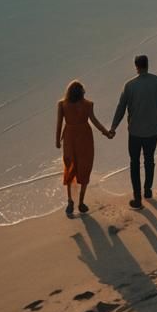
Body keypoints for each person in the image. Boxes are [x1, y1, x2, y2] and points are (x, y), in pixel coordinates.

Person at [110, 54, 157, 209]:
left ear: (136, 66)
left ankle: (137, 198)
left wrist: (113, 128)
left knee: (134, 163)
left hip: (135, 131)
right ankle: (148, 190)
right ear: (147, 65)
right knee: (149, 159)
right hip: (153, 130)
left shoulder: (129, 85)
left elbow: (120, 108)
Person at [56, 79, 113, 216]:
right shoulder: (88, 105)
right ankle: (81, 202)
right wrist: (106, 133)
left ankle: (70, 201)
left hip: (70, 138)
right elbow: (94, 121)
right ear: (82, 92)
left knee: (70, 168)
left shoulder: (62, 104)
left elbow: (59, 124)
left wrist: (57, 141)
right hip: (85, 138)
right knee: (85, 167)